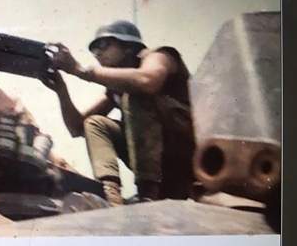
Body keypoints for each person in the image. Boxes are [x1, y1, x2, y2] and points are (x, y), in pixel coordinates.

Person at [43, 20, 196, 205]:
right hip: (163, 169)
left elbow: (148, 81)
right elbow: (78, 127)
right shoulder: (117, 90)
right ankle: (110, 194)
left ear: (128, 47)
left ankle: (146, 192)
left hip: (186, 155)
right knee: (95, 123)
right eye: (94, 49)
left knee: (135, 94)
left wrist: (79, 70)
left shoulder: (160, 55)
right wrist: (61, 90)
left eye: (104, 45)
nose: (98, 53)